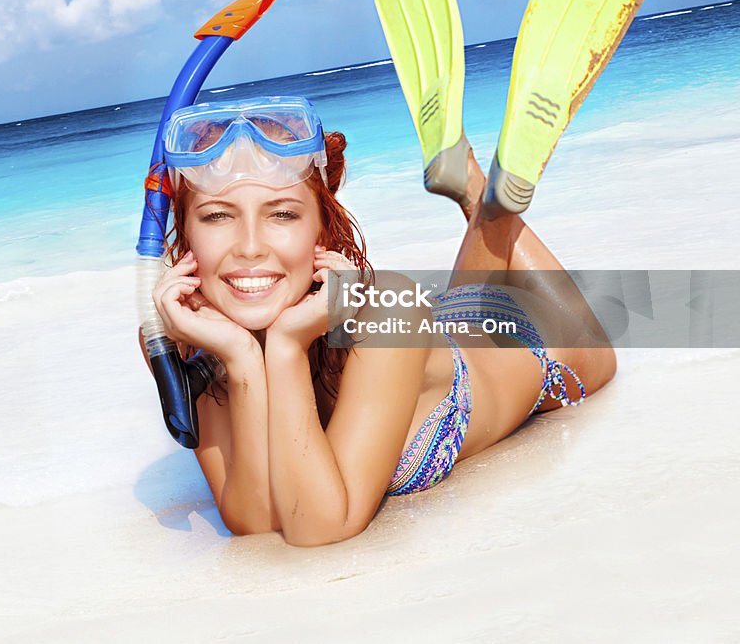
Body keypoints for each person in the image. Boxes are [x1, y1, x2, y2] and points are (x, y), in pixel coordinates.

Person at [147, 98, 616, 546]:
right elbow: (256, 521)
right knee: (455, 304)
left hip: (533, 345)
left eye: (283, 214)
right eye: (216, 216)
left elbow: (322, 528)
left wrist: (287, 346)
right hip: (440, 327)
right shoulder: (187, 333)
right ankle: (476, 195)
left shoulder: (388, 312)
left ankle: (481, 194)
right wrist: (243, 358)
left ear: (322, 226)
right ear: (184, 232)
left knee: (594, 353)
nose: (249, 247)